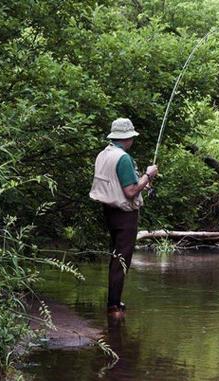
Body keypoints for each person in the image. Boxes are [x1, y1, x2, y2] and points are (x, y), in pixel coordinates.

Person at [89, 118, 158, 318]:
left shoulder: (104, 154)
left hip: (109, 211)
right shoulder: (123, 158)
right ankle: (113, 307)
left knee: (115, 256)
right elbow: (131, 191)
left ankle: (114, 301)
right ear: (126, 138)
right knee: (121, 259)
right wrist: (148, 175)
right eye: (132, 137)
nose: (132, 141)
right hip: (124, 215)